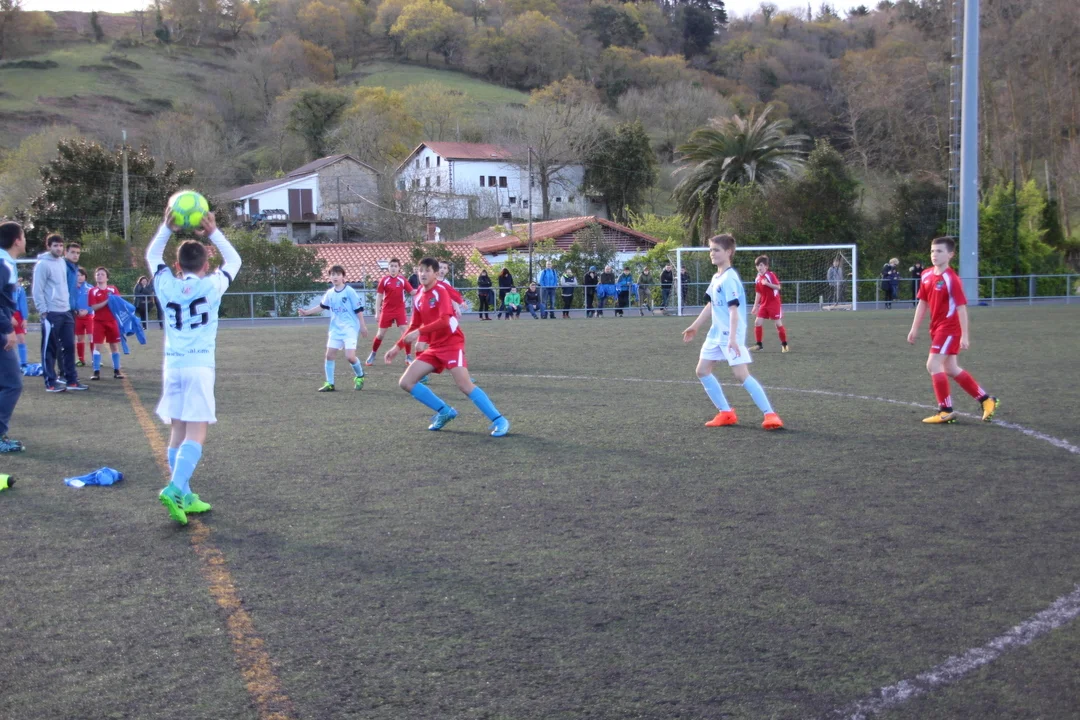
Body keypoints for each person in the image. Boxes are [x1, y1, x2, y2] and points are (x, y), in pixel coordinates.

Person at [147, 202, 242, 525]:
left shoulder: (166, 283)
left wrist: (167, 228)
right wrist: (213, 232)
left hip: (173, 366)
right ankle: (175, 489)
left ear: (177, 264)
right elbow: (235, 261)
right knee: (197, 431)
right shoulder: (211, 284)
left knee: (178, 429)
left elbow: (151, 256)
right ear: (206, 264)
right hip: (199, 366)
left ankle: (185, 494)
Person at [384, 256, 509, 437]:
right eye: (420, 270)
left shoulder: (440, 291)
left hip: (452, 343)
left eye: (427, 270)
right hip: (434, 346)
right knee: (406, 382)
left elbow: (444, 320)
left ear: (436, 274)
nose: (423, 274)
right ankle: (444, 411)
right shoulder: (418, 296)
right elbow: (414, 324)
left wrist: (419, 332)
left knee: (465, 385)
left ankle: (499, 420)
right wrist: (397, 348)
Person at [682, 234, 783, 430]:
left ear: (728, 252)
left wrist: (734, 339)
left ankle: (770, 415)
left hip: (730, 335)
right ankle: (726, 413)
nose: (712, 253)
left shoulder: (730, 278)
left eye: (716, 250)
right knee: (702, 371)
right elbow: (711, 305)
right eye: (710, 250)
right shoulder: (716, 277)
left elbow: (734, 311)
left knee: (741, 375)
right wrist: (695, 326)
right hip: (715, 334)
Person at [906, 237, 998, 425]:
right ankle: (986, 400)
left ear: (950, 255)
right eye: (932, 251)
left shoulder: (951, 279)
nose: (934, 255)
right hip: (937, 328)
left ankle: (945, 410)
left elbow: (961, 307)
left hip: (949, 328)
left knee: (933, 364)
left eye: (939, 251)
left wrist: (964, 335)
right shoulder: (926, 275)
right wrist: (914, 328)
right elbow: (922, 303)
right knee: (950, 368)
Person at [299, 265, 369, 392]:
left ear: (343, 276)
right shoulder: (330, 293)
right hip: (335, 329)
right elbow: (322, 306)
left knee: (350, 357)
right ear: (330, 277)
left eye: (338, 274)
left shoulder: (349, 291)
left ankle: (360, 376)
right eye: (332, 274)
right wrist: (306, 312)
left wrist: (363, 326)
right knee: (329, 355)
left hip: (350, 328)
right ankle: (330, 383)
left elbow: (358, 310)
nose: (335, 277)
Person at [32, 234, 86, 393]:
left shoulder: (62, 262)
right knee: (50, 348)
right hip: (51, 312)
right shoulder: (42, 264)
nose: (59, 248)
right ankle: (50, 382)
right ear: (48, 246)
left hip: (66, 311)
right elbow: (37, 290)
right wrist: (43, 311)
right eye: (55, 245)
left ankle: (71, 380)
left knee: (69, 347)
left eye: (61, 246)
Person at [0, 221, 27, 452]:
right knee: (12, 384)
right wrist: (7, 329)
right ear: (17, 240)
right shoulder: (4, 263)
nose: (25, 240)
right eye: (24, 236)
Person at [366, 259, 415, 365]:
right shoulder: (384, 280)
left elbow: (412, 292)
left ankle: (408, 356)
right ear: (388, 267)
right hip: (387, 310)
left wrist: (425, 289)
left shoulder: (402, 279)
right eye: (391, 266)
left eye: (395, 266)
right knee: (380, 335)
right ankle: (373, 354)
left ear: (399, 268)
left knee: (406, 333)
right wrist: (377, 312)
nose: (393, 268)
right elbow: (379, 296)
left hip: (399, 310)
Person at [87, 267, 125, 380]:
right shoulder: (92, 291)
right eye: (97, 274)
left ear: (107, 278)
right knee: (97, 346)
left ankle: (117, 370)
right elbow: (94, 307)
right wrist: (107, 300)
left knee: (114, 345)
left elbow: (118, 303)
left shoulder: (113, 289)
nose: (99, 276)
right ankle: (96, 371)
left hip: (112, 321)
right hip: (98, 322)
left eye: (102, 274)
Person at [750, 255, 789, 352]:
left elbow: (778, 287)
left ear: (766, 266)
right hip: (764, 304)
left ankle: (784, 345)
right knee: (757, 322)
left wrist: (767, 283)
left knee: (778, 324)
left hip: (774, 304)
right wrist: (755, 306)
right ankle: (759, 345)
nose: (759, 267)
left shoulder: (770, 275)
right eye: (757, 265)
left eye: (761, 265)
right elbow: (758, 292)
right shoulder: (758, 278)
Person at [73, 267, 94, 367]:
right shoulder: (71, 288)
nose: (80, 277)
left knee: (92, 337)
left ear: (85, 276)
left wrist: (87, 310)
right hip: (77, 317)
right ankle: (81, 359)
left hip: (89, 316)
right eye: (77, 275)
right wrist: (76, 311)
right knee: (79, 338)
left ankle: (95, 359)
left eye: (82, 275)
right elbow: (70, 301)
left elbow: (94, 302)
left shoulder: (90, 288)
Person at [12, 278, 29, 367]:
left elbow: (23, 303)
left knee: (21, 339)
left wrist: (25, 318)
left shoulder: (19, 289)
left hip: (17, 315)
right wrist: (10, 316)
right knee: (6, 340)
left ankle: (23, 363)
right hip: (5, 314)